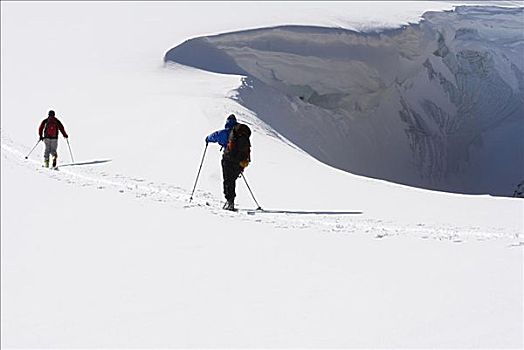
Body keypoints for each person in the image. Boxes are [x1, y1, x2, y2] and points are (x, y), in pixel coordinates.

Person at [206, 114, 251, 210]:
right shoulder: (240, 133)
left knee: (228, 180)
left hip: (228, 160)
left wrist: (207, 139)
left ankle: (229, 202)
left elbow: (214, 136)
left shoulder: (226, 132)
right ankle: (231, 200)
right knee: (232, 180)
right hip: (239, 161)